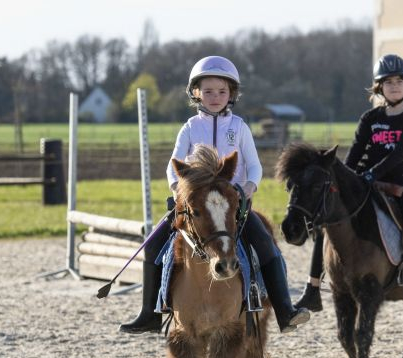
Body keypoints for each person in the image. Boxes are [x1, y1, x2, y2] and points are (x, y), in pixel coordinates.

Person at [119, 56, 310, 333]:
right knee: (153, 245)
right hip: (194, 204)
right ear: (196, 93)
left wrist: (247, 188)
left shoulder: (240, 127)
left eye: (221, 91)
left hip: (233, 206)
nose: (215, 97)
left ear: (231, 94)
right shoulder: (189, 128)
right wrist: (178, 189)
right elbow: (173, 166)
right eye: (208, 91)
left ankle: (284, 310)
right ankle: (150, 312)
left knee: (267, 246)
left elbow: (254, 166)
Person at [295, 54, 403, 311]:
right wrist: (348, 178)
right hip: (362, 180)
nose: (394, 86)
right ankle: (312, 288)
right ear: (379, 87)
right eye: (388, 82)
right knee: (328, 220)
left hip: (399, 180)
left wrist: (373, 173)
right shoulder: (370, 119)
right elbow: (355, 153)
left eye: (399, 81)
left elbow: (401, 153)